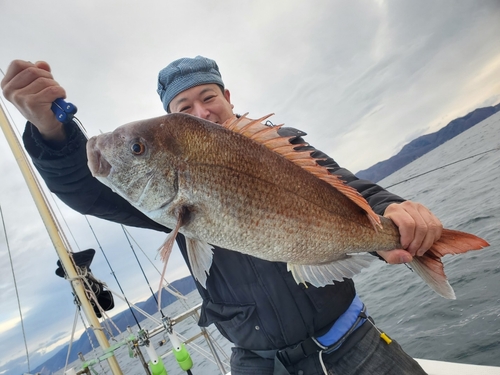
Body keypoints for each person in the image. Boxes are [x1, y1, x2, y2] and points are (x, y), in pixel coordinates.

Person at [2, 57, 442, 375]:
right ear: (172, 122)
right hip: (256, 363)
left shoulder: (283, 145)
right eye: (183, 109)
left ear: (227, 97)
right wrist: (52, 131)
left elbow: (353, 192)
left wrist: (393, 213)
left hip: (352, 342)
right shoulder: (164, 198)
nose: (201, 112)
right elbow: (86, 187)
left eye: (208, 97)